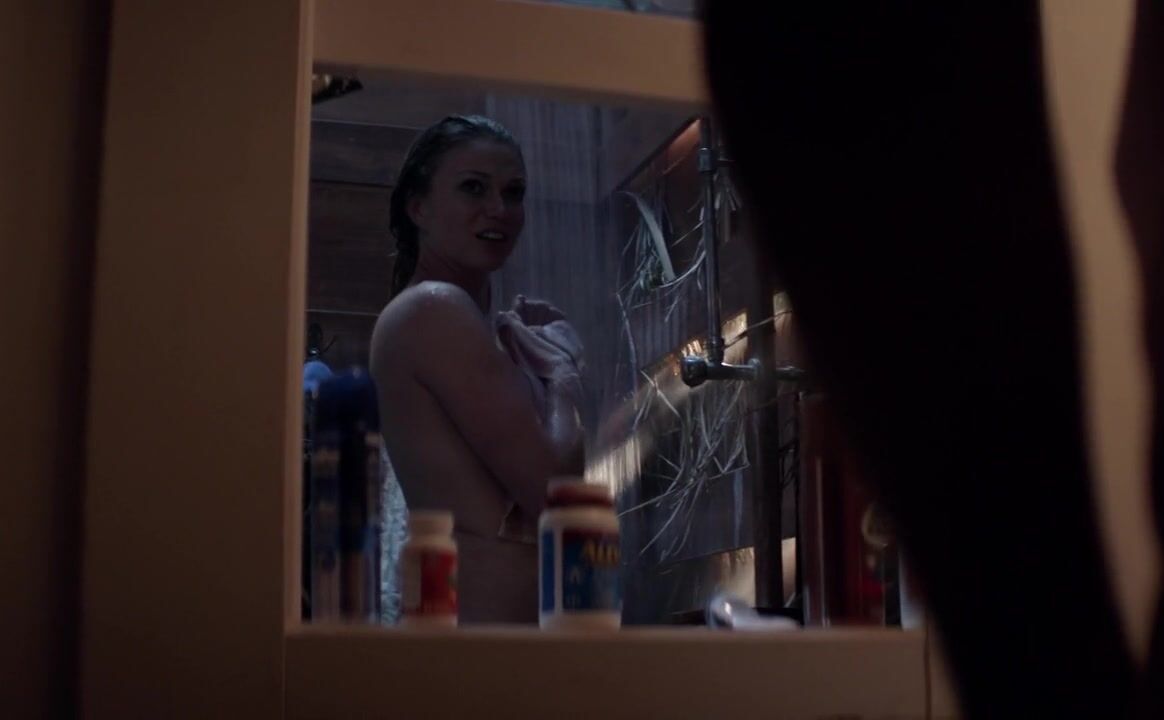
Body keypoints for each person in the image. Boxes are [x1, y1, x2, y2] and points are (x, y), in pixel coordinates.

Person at [370, 115, 585, 624]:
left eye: (514, 193)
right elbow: (559, 499)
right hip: (478, 649)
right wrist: (562, 373)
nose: (499, 209)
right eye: (473, 188)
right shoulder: (435, 309)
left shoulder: (456, 320)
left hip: (484, 644)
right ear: (418, 207)